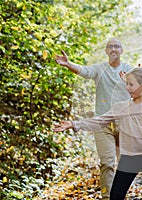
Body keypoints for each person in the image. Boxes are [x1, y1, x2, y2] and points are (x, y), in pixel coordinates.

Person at [53, 67, 142, 200]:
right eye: (126, 83)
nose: (127, 88)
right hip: (129, 158)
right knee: (115, 196)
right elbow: (99, 121)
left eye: (131, 84)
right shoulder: (121, 107)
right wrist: (74, 124)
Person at [54, 38, 132, 199]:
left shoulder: (129, 70)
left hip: (125, 123)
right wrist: (68, 64)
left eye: (117, 46)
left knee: (125, 165)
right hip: (102, 123)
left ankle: (121, 195)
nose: (113, 49)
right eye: (110, 46)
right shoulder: (99, 69)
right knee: (107, 163)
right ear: (106, 51)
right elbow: (84, 71)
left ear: (122, 50)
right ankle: (108, 197)